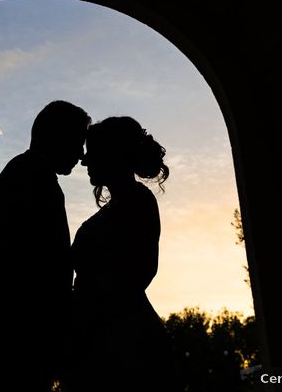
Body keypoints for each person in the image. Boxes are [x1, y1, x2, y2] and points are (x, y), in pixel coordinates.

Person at [0, 100, 91, 391]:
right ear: (58, 137)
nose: (81, 155)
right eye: (77, 143)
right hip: (19, 340)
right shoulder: (32, 178)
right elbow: (39, 268)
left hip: (13, 339)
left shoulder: (26, 173)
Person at [66, 116, 178, 391]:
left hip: (124, 345)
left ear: (111, 154)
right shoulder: (123, 205)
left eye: (91, 153)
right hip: (103, 340)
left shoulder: (138, 202)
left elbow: (140, 272)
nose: (84, 161)